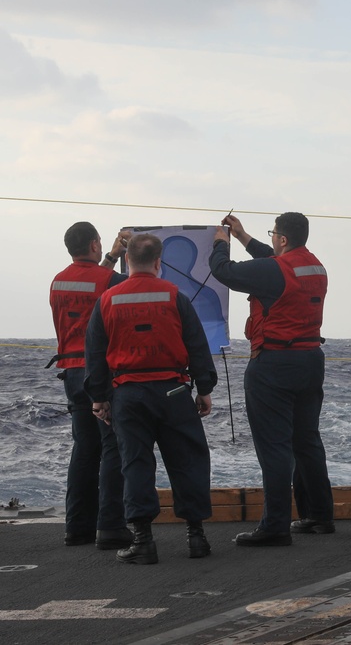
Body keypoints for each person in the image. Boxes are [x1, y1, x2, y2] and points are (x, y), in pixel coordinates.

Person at [84, 233, 217, 564]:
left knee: (136, 465)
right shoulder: (176, 297)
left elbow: (95, 354)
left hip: (128, 395)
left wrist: (99, 398)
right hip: (173, 391)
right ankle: (196, 537)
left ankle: (143, 541)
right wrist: (204, 388)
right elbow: (198, 346)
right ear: (159, 262)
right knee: (188, 460)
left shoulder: (108, 300)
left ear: (127, 260)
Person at [210, 213, 334, 546]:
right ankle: (320, 516)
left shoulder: (275, 269)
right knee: (307, 441)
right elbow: (271, 260)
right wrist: (243, 236)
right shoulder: (314, 266)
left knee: (275, 448)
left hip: (274, 364)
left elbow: (224, 272)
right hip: (310, 361)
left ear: (281, 239)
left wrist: (220, 242)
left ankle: (275, 526)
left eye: (274, 234)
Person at [49, 222, 133, 550]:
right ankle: (111, 526)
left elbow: (92, 283)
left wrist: (112, 255)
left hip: (70, 371)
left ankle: (76, 527)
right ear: (95, 244)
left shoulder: (58, 282)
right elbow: (118, 290)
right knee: (112, 446)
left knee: (84, 449)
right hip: (101, 372)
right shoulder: (110, 281)